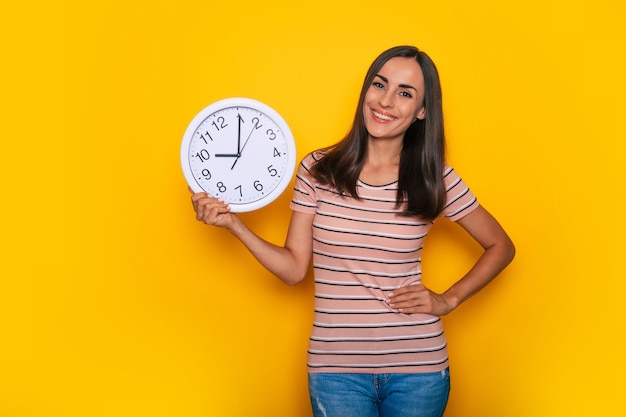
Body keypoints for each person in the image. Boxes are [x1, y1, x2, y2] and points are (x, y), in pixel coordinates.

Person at [190, 45, 515, 417]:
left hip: (419, 370)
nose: (386, 101)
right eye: (380, 85)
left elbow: (500, 246)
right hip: (335, 372)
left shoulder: (434, 178)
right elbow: (295, 270)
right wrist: (235, 225)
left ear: (422, 112)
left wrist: (448, 299)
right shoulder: (317, 170)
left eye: (405, 93)